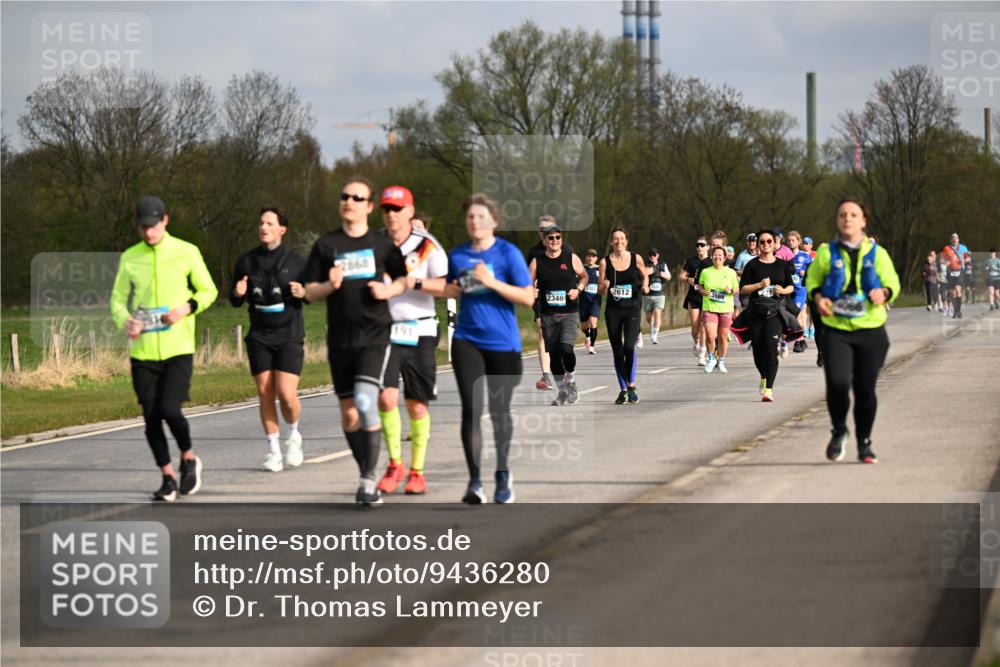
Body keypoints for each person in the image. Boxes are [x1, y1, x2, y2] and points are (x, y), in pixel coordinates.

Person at [304, 177, 408, 506]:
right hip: (340, 340)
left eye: (357, 197)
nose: (349, 201)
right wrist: (329, 286)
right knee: (350, 415)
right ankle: (367, 474)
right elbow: (308, 291)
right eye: (344, 196)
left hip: (375, 334)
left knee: (366, 400)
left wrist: (389, 290)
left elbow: (404, 277)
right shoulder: (325, 246)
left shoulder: (381, 245)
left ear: (369, 205)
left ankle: (367, 478)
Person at [110, 196, 218, 501]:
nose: (149, 233)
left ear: (165, 221)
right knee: (150, 417)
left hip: (177, 347)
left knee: (170, 408)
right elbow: (117, 300)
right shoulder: (130, 257)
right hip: (142, 351)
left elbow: (208, 290)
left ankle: (189, 457)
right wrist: (125, 321)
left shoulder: (186, 251)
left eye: (154, 226)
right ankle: (167, 477)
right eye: (143, 227)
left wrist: (186, 308)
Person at [444, 194, 534, 504]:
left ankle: (503, 474)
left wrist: (491, 282)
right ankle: (474, 483)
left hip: (503, 343)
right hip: (467, 339)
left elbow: (527, 298)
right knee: (471, 409)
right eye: (470, 217)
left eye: (481, 216)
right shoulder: (457, 256)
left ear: (494, 221)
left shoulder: (508, 254)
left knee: (499, 412)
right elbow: (451, 288)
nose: (475, 222)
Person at [807, 197, 900, 464]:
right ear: (837, 220)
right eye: (842, 215)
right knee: (836, 383)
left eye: (853, 214)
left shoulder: (877, 253)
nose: (847, 218)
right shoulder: (827, 253)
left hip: (871, 330)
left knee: (864, 389)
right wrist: (818, 298)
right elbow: (813, 281)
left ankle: (864, 441)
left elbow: (893, 282)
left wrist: (884, 292)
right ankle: (839, 430)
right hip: (836, 330)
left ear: (863, 220)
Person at [374, 186, 450, 497]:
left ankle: (417, 471)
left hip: (419, 330)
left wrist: (413, 282)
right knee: (386, 399)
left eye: (397, 208)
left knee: (416, 405)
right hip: (384, 331)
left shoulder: (427, 246)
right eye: (386, 209)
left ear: (409, 211)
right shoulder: (373, 245)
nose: (391, 214)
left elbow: (446, 286)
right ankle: (395, 464)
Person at [230, 207, 308, 473]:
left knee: (286, 394)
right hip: (259, 335)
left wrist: (303, 291)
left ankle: (294, 435)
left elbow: (314, 291)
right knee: (265, 392)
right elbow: (234, 299)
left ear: (282, 229)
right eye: (261, 222)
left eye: (269, 223)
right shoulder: (246, 261)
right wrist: (238, 293)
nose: (263, 227)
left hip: (289, 334)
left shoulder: (297, 260)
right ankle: (273, 450)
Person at [528, 223, 588, 405]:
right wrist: (531, 291)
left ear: (561, 239)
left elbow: (584, 276)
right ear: (545, 240)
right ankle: (562, 392)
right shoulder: (537, 261)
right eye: (550, 237)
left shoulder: (571, 257)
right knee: (554, 355)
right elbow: (526, 283)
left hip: (569, 312)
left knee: (566, 349)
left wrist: (578, 289)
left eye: (558, 237)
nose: (554, 240)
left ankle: (571, 380)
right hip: (548, 314)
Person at [738, 228, 794, 402]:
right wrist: (759, 285)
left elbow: (791, 286)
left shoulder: (781, 264)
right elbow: (743, 288)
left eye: (769, 241)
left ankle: (769, 389)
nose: (765, 244)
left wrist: (783, 290)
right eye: (762, 242)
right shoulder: (752, 265)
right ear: (758, 245)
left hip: (775, 311)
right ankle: (763, 376)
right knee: (758, 350)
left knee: (771, 348)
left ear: (774, 243)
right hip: (756, 311)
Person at [598, 227, 649, 404]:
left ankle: (632, 384)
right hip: (613, 310)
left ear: (626, 241)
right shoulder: (605, 262)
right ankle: (624, 389)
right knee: (617, 350)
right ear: (611, 242)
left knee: (629, 346)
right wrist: (604, 286)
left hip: (633, 308)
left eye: (621, 238)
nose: (618, 241)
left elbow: (645, 275)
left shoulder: (636, 258)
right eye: (615, 239)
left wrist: (645, 286)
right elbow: (601, 291)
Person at [527, 215, 572, 391]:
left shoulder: (567, 250)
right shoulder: (534, 252)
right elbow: (526, 278)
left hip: (565, 301)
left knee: (563, 340)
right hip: (543, 300)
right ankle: (546, 375)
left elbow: (576, 272)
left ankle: (566, 372)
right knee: (542, 331)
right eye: (541, 230)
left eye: (549, 230)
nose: (545, 233)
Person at [698, 245, 739, 373]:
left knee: (722, 337)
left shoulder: (731, 272)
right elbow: (699, 285)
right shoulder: (705, 271)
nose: (717, 257)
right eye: (715, 255)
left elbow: (737, 289)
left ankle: (721, 360)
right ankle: (711, 358)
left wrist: (731, 290)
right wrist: (703, 291)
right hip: (709, 307)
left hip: (726, 309)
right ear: (711, 256)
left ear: (725, 257)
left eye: (720, 255)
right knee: (710, 336)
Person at [679, 236, 710, 365]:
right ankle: (696, 341)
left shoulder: (712, 261)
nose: (699, 248)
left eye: (702, 245)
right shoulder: (691, 261)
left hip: (707, 297)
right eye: (697, 245)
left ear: (708, 247)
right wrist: (688, 280)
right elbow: (681, 275)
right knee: (695, 328)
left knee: (704, 326)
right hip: (694, 297)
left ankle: (702, 355)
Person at [787, 231, 813, 351]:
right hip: (788, 290)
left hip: (800, 290)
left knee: (796, 313)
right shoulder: (785, 255)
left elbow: (813, 271)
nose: (791, 242)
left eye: (793, 240)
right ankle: (801, 340)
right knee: (795, 315)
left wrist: (806, 273)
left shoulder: (805, 256)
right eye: (789, 240)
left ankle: (798, 341)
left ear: (798, 241)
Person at [641, 247, 671, 345]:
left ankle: (655, 335)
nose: (652, 256)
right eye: (650, 255)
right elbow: (643, 274)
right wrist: (650, 271)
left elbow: (669, 276)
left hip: (660, 294)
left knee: (657, 313)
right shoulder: (645, 264)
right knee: (649, 317)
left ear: (658, 255)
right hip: (648, 294)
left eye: (654, 255)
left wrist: (660, 273)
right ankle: (651, 327)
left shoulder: (663, 265)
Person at [578, 249, 602, 354]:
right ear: (586, 257)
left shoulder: (600, 269)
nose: (591, 258)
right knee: (583, 326)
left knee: (593, 322)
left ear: (596, 258)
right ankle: (587, 335)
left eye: (593, 256)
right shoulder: (581, 269)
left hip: (595, 301)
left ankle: (592, 346)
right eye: (589, 256)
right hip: (583, 302)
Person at [941, 233, 969, 319]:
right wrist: (946, 263)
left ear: (958, 239)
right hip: (950, 272)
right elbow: (943, 259)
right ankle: (956, 309)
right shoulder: (947, 248)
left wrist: (964, 260)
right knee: (951, 293)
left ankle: (958, 311)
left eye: (955, 238)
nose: (954, 240)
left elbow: (968, 258)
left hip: (959, 271)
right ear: (951, 240)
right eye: (952, 238)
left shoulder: (963, 248)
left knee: (958, 291)